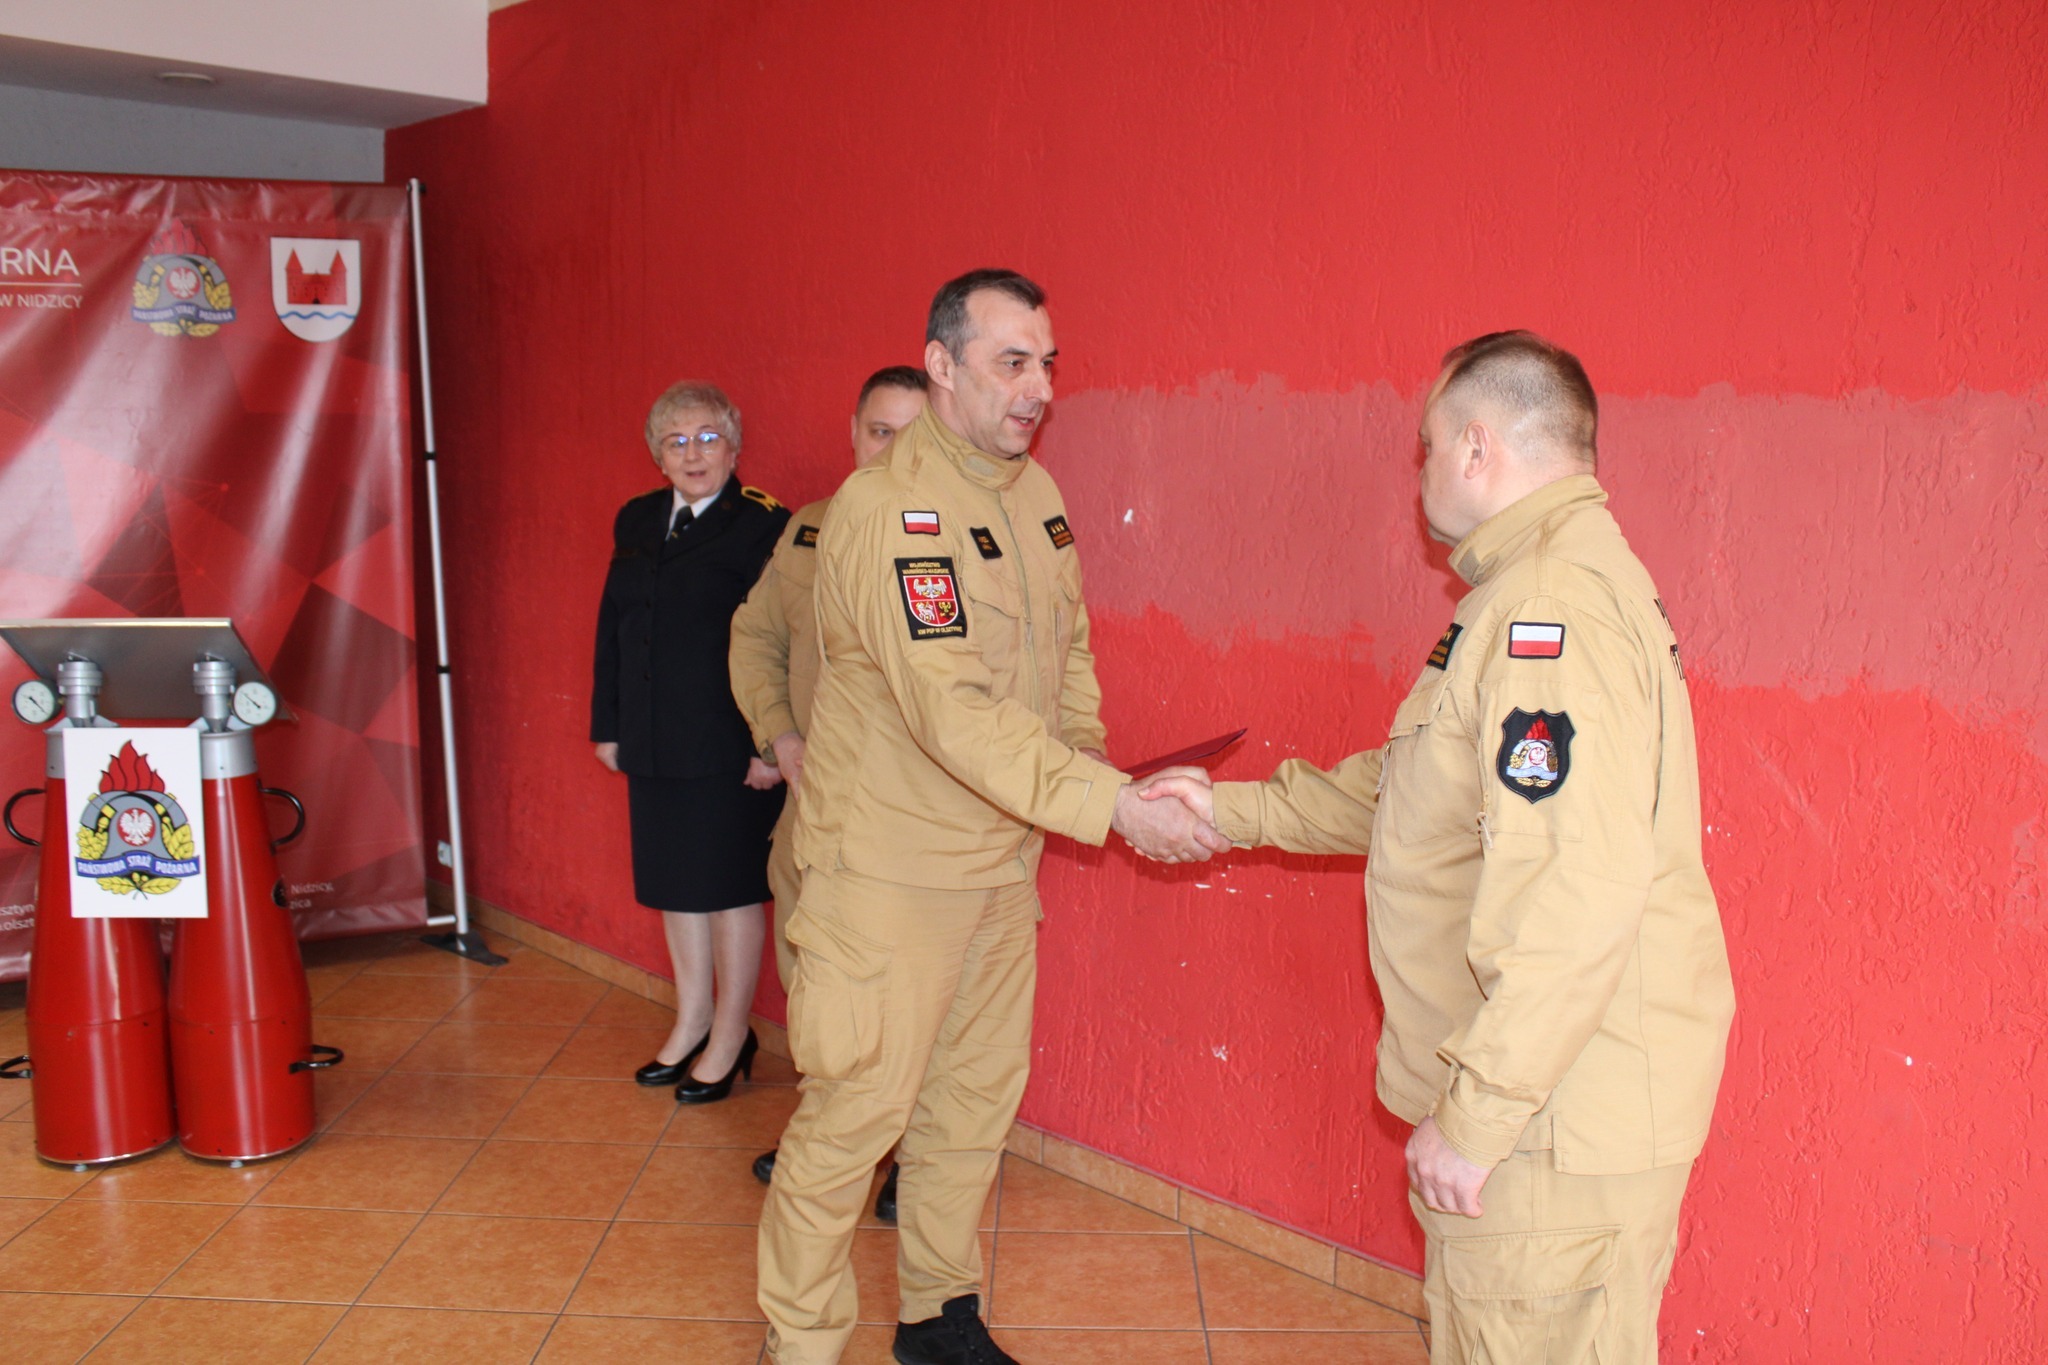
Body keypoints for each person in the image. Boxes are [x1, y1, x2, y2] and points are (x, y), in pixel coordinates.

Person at [1142, 331, 1736, 1365]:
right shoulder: (1534, 590)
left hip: (1547, 1118)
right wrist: (1230, 809)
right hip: (1555, 1098)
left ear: (1475, 447)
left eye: (1425, 445)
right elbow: (1420, 791)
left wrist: (1478, 1116)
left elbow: (1575, 887)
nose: (1418, 469)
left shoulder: (1543, 608)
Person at [755, 270, 1224, 1365]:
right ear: (941, 364)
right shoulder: (888, 513)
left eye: (1046, 363)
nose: (1038, 388)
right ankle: (801, 1343)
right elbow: (951, 710)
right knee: (854, 1118)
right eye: (1012, 362)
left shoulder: (1032, 493)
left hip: (998, 869)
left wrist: (1092, 761)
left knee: (968, 1109)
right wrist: (1107, 806)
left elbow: (1067, 656)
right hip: (888, 875)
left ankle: (937, 1318)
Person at [729, 364, 930, 1215]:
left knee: (918, 994)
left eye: (915, 435)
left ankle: (919, 1155)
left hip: (920, 824)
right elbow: (754, 637)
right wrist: (779, 734)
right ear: (853, 434)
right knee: (816, 987)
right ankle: (829, 1135)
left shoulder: (960, 538)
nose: (894, 451)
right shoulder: (808, 529)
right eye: (881, 431)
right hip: (816, 816)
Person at [590, 380, 791, 1105]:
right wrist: (608, 723)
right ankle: (693, 1019)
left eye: (708, 437)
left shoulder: (763, 524)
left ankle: (732, 1034)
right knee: (676, 885)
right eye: (676, 441)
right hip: (653, 736)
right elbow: (615, 627)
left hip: (729, 744)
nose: (693, 453)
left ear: (734, 447)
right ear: (657, 455)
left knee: (729, 891)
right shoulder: (638, 517)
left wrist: (771, 744)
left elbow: (785, 641)